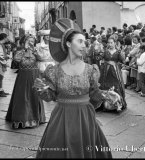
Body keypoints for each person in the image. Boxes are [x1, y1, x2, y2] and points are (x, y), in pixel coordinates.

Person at [33, 18, 112, 158]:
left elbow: (94, 95)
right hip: (61, 118)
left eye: (85, 42)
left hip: (85, 118)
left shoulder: (91, 69)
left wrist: (106, 95)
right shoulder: (54, 71)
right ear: (68, 43)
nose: (84, 45)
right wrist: (42, 90)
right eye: (80, 41)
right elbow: (50, 96)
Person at [6, 35, 46, 128]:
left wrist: (35, 51)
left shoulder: (36, 50)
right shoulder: (20, 50)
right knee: (22, 95)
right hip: (23, 76)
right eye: (29, 40)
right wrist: (24, 49)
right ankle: (21, 118)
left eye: (32, 41)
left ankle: (36, 117)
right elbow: (16, 59)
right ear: (25, 41)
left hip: (34, 75)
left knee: (34, 94)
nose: (31, 42)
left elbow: (42, 58)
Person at [98, 36, 127, 112]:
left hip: (115, 71)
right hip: (105, 72)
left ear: (115, 43)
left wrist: (122, 54)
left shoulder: (118, 52)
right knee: (104, 86)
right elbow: (99, 58)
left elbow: (123, 61)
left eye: (111, 42)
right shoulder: (105, 51)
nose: (110, 44)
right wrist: (99, 53)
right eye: (108, 42)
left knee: (117, 85)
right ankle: (104, 105)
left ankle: (118, 105)